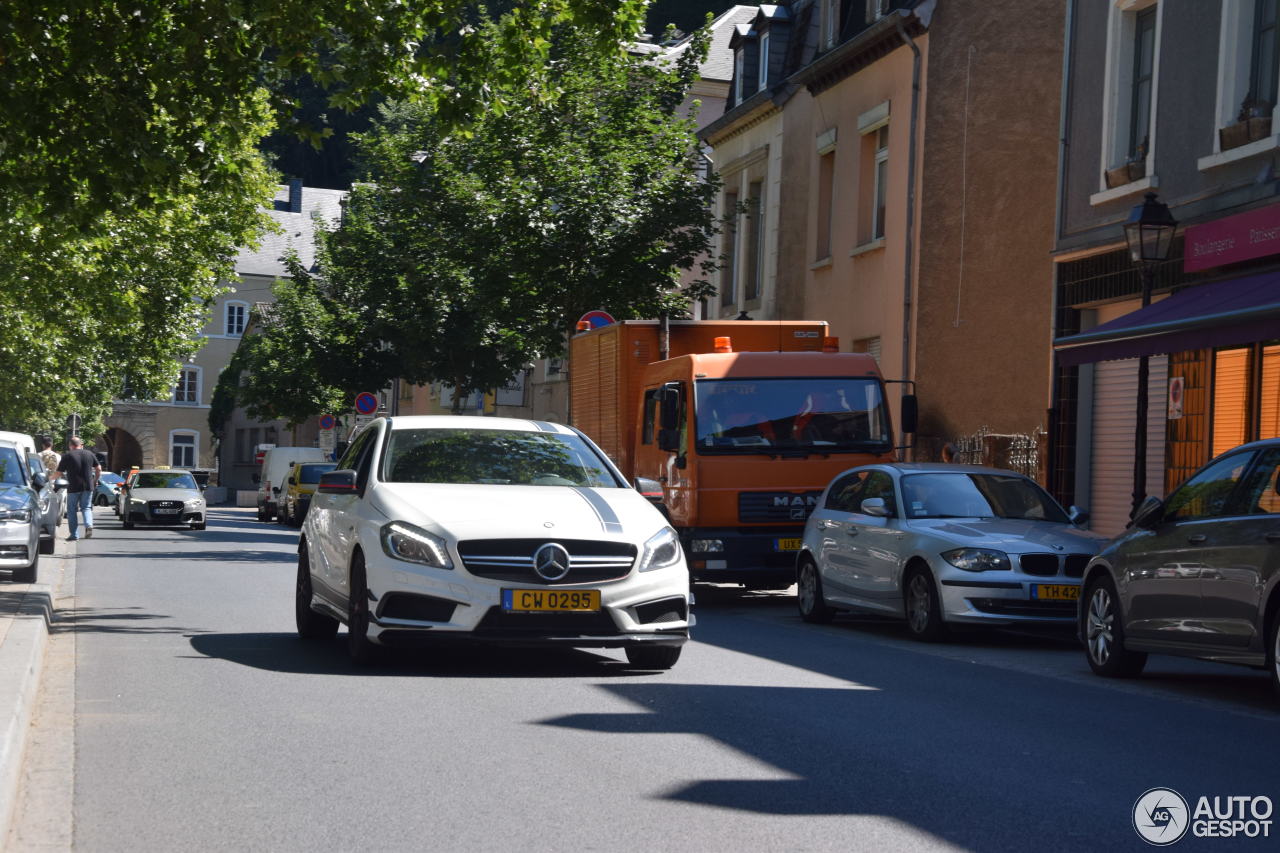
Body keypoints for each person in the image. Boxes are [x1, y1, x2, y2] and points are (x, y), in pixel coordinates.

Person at [57, 436, 101, 540]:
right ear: (81, 445)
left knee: (72, 510)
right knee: (86, 508)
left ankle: (74, 535)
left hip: (73, 487)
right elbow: (98, 468)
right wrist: (95, 481)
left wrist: (48, 479)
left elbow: (59, 473)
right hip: (88, 486)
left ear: (70, 445)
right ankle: (88, 525)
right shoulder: (90, 454)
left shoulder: (67, 456)